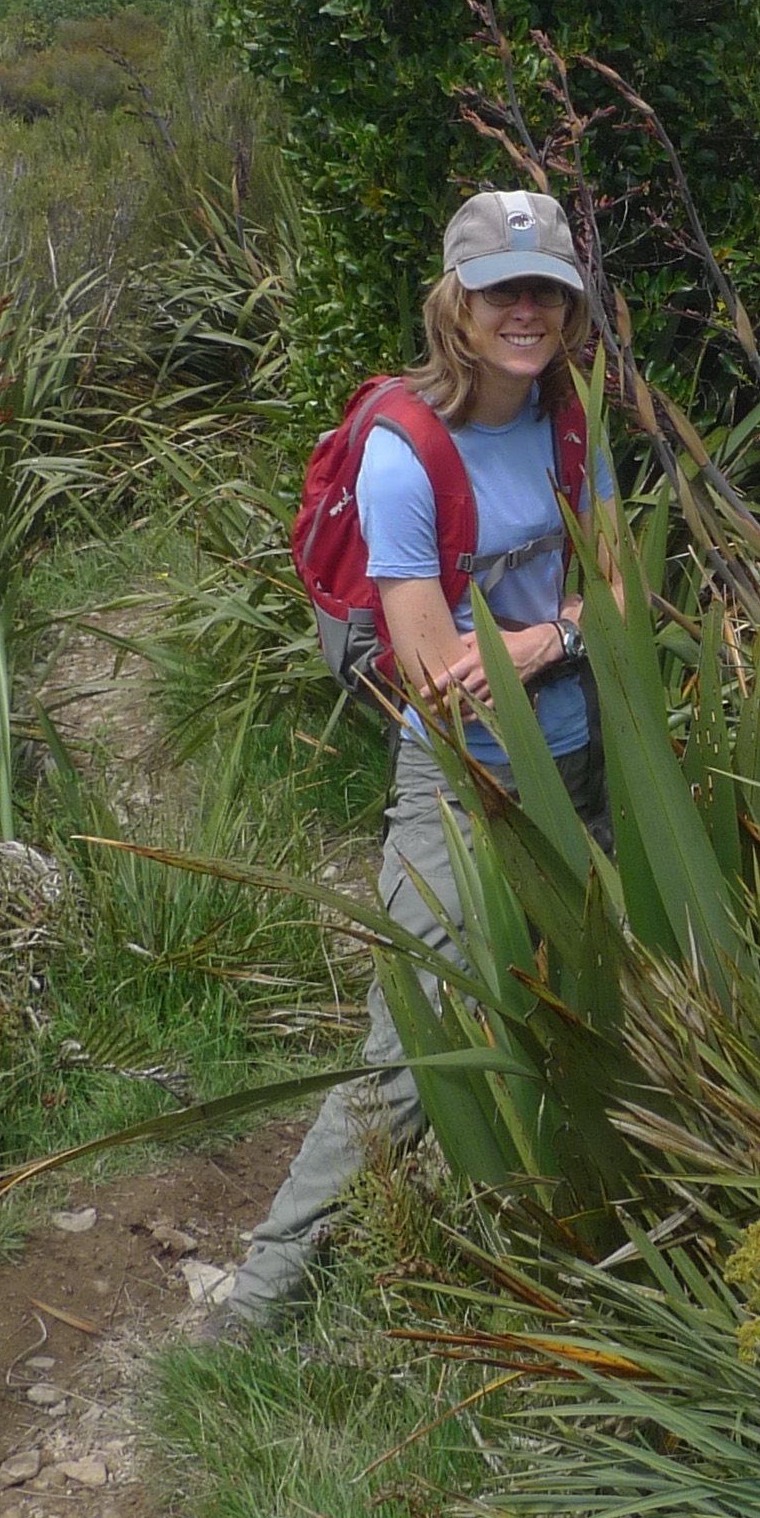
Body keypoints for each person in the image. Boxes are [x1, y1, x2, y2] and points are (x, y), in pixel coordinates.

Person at [221, 190, 614, 1330]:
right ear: (460, 302)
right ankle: (259, 1305)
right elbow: (441, 677)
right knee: (411, 1060)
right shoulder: (407, 456)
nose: (526, 312)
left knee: (602, 999)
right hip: (462, 784)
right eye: (503, 292)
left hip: (580, 768)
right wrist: (570, 628)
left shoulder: (571, 418)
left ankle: (577, 1244)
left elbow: (620, 588)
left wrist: (546, 637)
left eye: (545, 289)